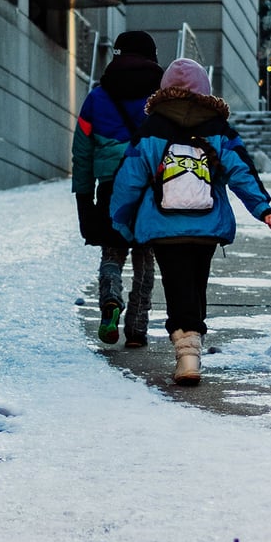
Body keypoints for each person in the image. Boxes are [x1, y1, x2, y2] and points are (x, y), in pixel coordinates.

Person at [109, 58, 271, 385]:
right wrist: (262, 207)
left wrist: (121, 220)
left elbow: (129, 179)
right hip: (207, 225)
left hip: (163, 226)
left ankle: (186, 353)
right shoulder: (218, 129)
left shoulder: (151, 129)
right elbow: (241, 170)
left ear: (164, 90)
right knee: (196, 285)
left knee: (177, 285)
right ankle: (191, 349)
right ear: (206, 90)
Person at [71, 31, 163, 347]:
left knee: (112, 250)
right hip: (150, 186)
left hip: (111, 186)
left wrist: (84, 201)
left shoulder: (97, 98)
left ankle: (110, 300)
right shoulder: (162, 96)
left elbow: (81, 153)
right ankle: (137, 328)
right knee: (144, 256)